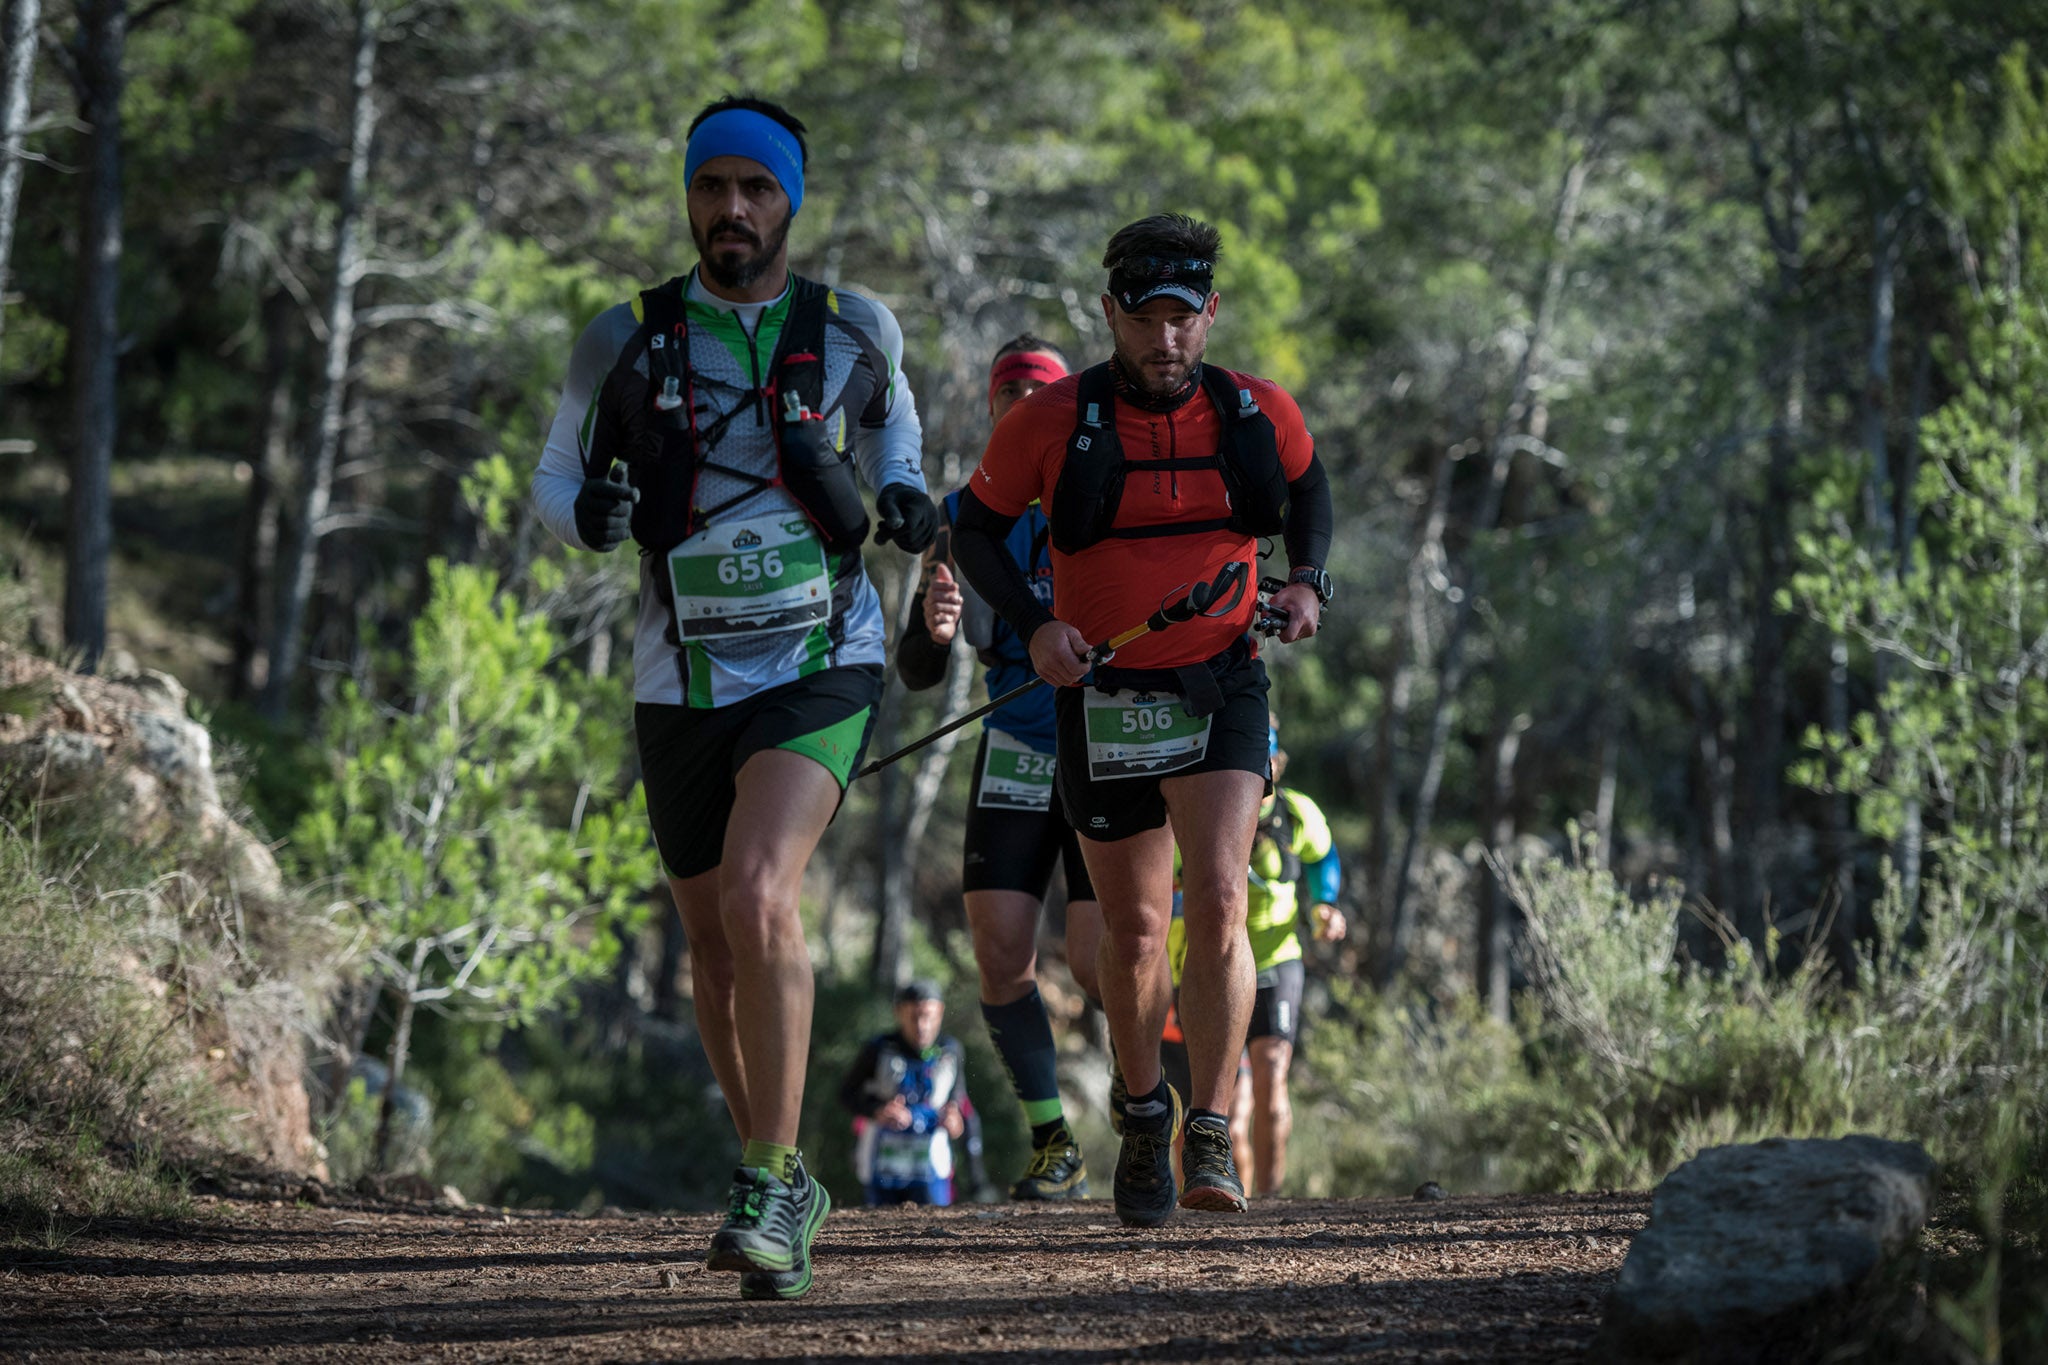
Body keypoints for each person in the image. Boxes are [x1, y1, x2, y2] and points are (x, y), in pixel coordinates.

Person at [531, 94, 936, 1301]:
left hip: (823, 655)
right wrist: (591, 516)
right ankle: (779, 1173)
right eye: (713, 189)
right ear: (690, 198)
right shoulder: (621, 338)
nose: (731, 211)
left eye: (755, 191)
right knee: (710, 944)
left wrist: (910, 506)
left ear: (789, 204)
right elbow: (557, 483)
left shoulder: (857, 328)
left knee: (762, 894)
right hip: (679, 672)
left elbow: (899, 457)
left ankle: (767, 1181)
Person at [950, 213, 1335, 1227]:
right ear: (1108, 312)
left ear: (1208, 314)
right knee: (1130, 931)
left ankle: (1206, 1126)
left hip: (1220, 682)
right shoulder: (1047, 420)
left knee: (1215, 895)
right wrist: (1033, 626)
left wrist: (1308, 585)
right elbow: (974, 532)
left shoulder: (1255, 413)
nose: (1162, 341)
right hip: (1101, 698)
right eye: (1142, 319)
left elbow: (1306, 489)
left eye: (1181, 318)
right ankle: (1139, 1109)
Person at [895, 336, 1101, 1201]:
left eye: (1039, 394)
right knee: (1001, 953)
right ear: (992, 410)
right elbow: (916, 669)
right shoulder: (959, 516)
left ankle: (1150, 1114)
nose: (1023, 407)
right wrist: (933, 629)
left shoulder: (1099, 495)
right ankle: (1053, 1139)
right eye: (1008, 394)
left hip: (1104, 747)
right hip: (1014, 746)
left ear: (1066, 407)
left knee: (1101, 960)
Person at [1165, 717, 1344, 1197]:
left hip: (1275, 958)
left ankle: (1272, 1197)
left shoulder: (1295, 813)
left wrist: (1326, 903)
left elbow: (1323, 857)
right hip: (1208, 966)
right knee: (1229, 1108)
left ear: (1275, 764)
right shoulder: (1200, 814)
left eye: (1262, 764)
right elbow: (1165, 879)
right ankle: (1218, 1194)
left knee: (1271, 1082)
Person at [840, 980, 986, 1206]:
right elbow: (846, 1095)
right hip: (881, 1168)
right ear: (899, 1013)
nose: (922, 1026)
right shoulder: (879, 1048)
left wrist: (955, 1121)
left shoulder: (950, 1051)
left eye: (928, 1016)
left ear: (940, 1013)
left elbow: (959, 1102)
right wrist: (877, 1110)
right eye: (914, 1016)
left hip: (932, 1168)